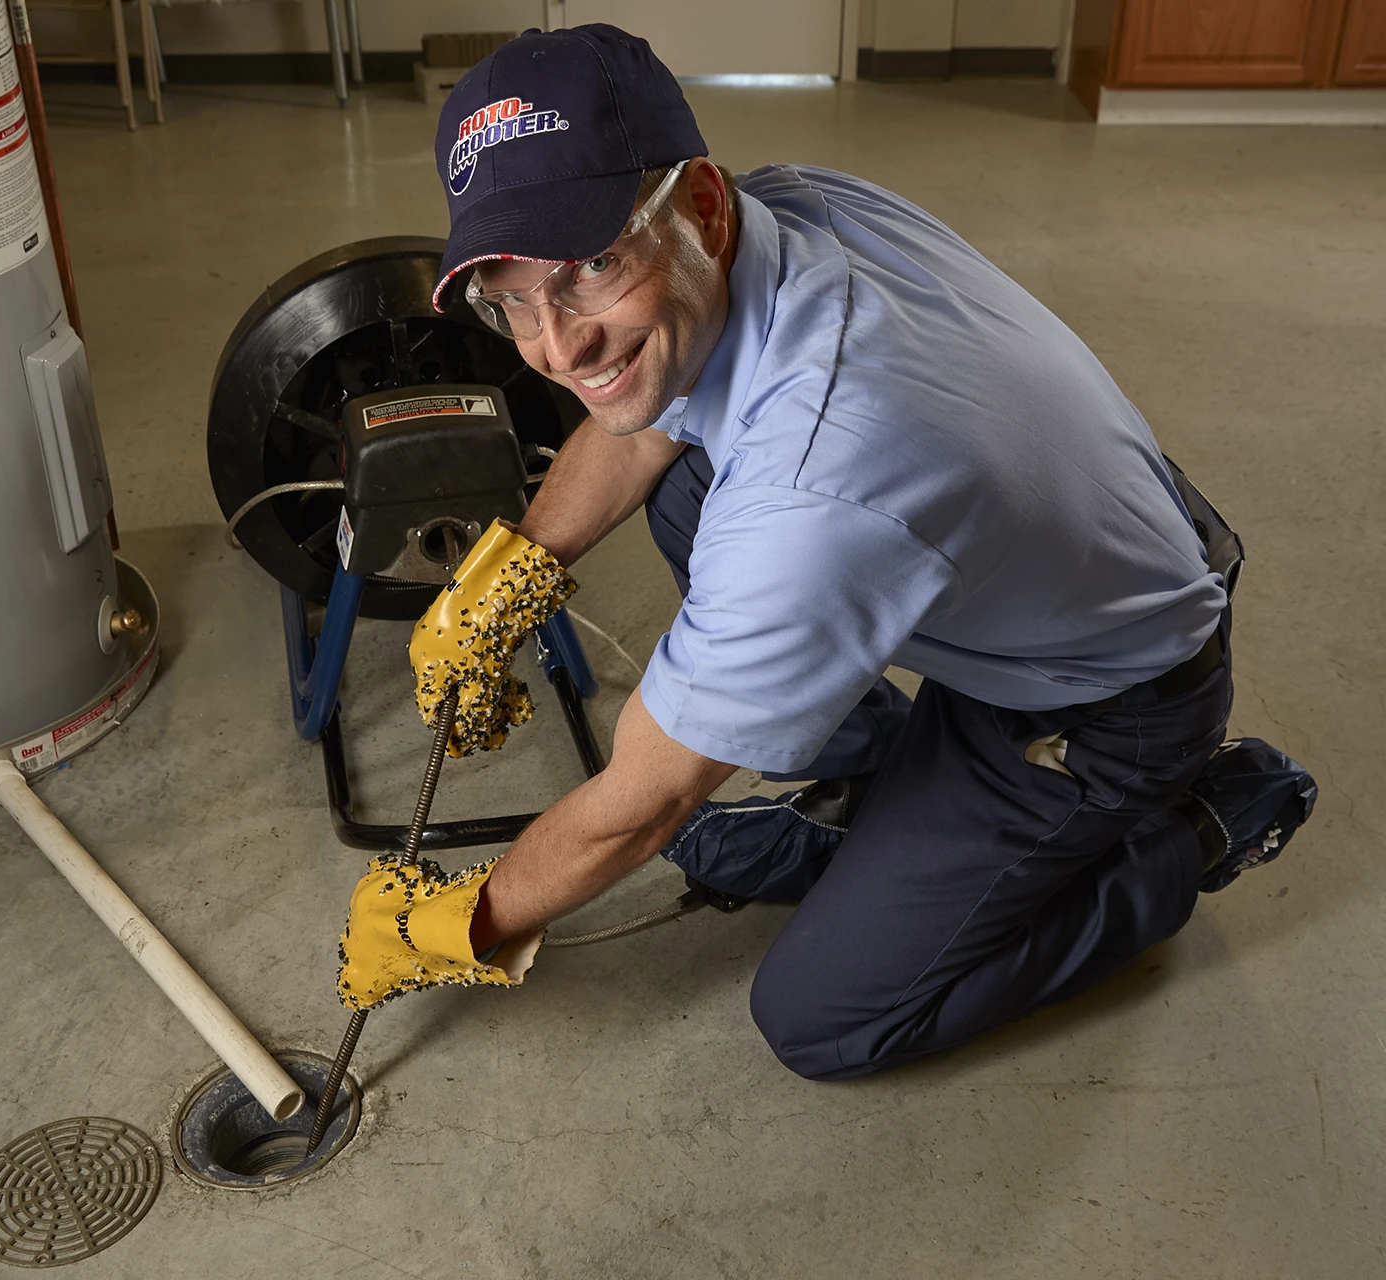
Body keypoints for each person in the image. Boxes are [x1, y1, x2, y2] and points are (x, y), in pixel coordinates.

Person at [332, 25, 1317, 1079]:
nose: (554, 347)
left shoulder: (819, 481)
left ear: (702, 205)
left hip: (1112, 702)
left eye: (590, 269)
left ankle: (1197, 829)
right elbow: (662, 408)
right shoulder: (784, 209)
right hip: (1074, 555)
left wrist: (464, 920)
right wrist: (510, 573)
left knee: (825, 1016)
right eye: (510, 298)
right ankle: (887, 791)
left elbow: (645, 805)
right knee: (687, 476)